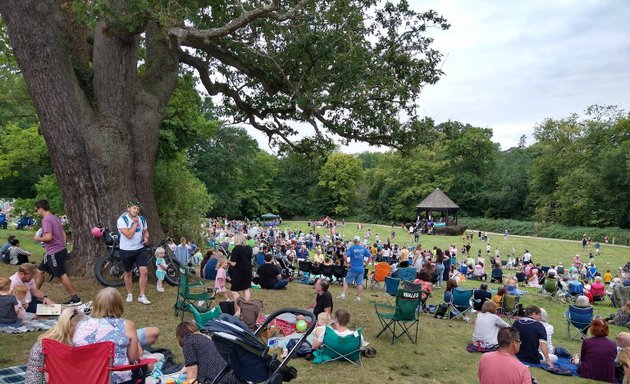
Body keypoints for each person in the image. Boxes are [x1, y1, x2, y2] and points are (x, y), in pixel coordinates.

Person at [73, 287, 142, 384]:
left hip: (86, 377)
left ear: (96, 304)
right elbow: (133, 358)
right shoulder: (127, 325)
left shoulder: (81, 324)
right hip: (115, 380)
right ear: (119, 305)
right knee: (146, 367)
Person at [33, 199, 81, 304]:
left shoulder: (46, 220)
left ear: (41, 208)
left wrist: (38, 239)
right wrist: (63, 245)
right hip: (54, 251)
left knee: (61, 274)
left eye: (36, 210)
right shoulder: (54, 218)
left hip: (55, 252)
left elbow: (48, 237)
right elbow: (63, 233)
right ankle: (33, 294)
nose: (37, 212)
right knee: (40, 271)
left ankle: (75, 298)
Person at [24, 307, 86, 384]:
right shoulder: (56, 348)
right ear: (69, 327)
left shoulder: (43, 343)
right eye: (82, 328)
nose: (85, 330)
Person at [117, 200, 150, 305]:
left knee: (144, 271)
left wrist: (146, 237)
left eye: (137, 208)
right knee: (128, 273)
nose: (136, 210)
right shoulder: (122, 220)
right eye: (134, 208)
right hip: (126, 250)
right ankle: (129, 294)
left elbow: (145, 231)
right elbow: (129, 235)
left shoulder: (142, 219)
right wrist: (135, 223)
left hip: (140, 249)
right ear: (128, 209)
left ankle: (142, 295)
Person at [338, 236, 371, 302]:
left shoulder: (352, 248)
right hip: (361, 268)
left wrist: (347, 263)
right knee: (359, 283)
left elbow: (345, 256)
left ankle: (343, 294)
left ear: (353, 241)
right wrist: (366, 264)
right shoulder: (363, 248)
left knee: (347, 281)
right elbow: (370, 256)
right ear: (359, 241)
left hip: (353, 268)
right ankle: (358, 297)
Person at [229, 233, 253, 317]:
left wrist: (229, 261)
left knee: (234, 290)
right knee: (246, 289)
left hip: (239, 271)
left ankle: (239, 309)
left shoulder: (236, 248)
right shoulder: (249, 248)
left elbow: (233, 263)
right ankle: (245, 308)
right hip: (248, 270)